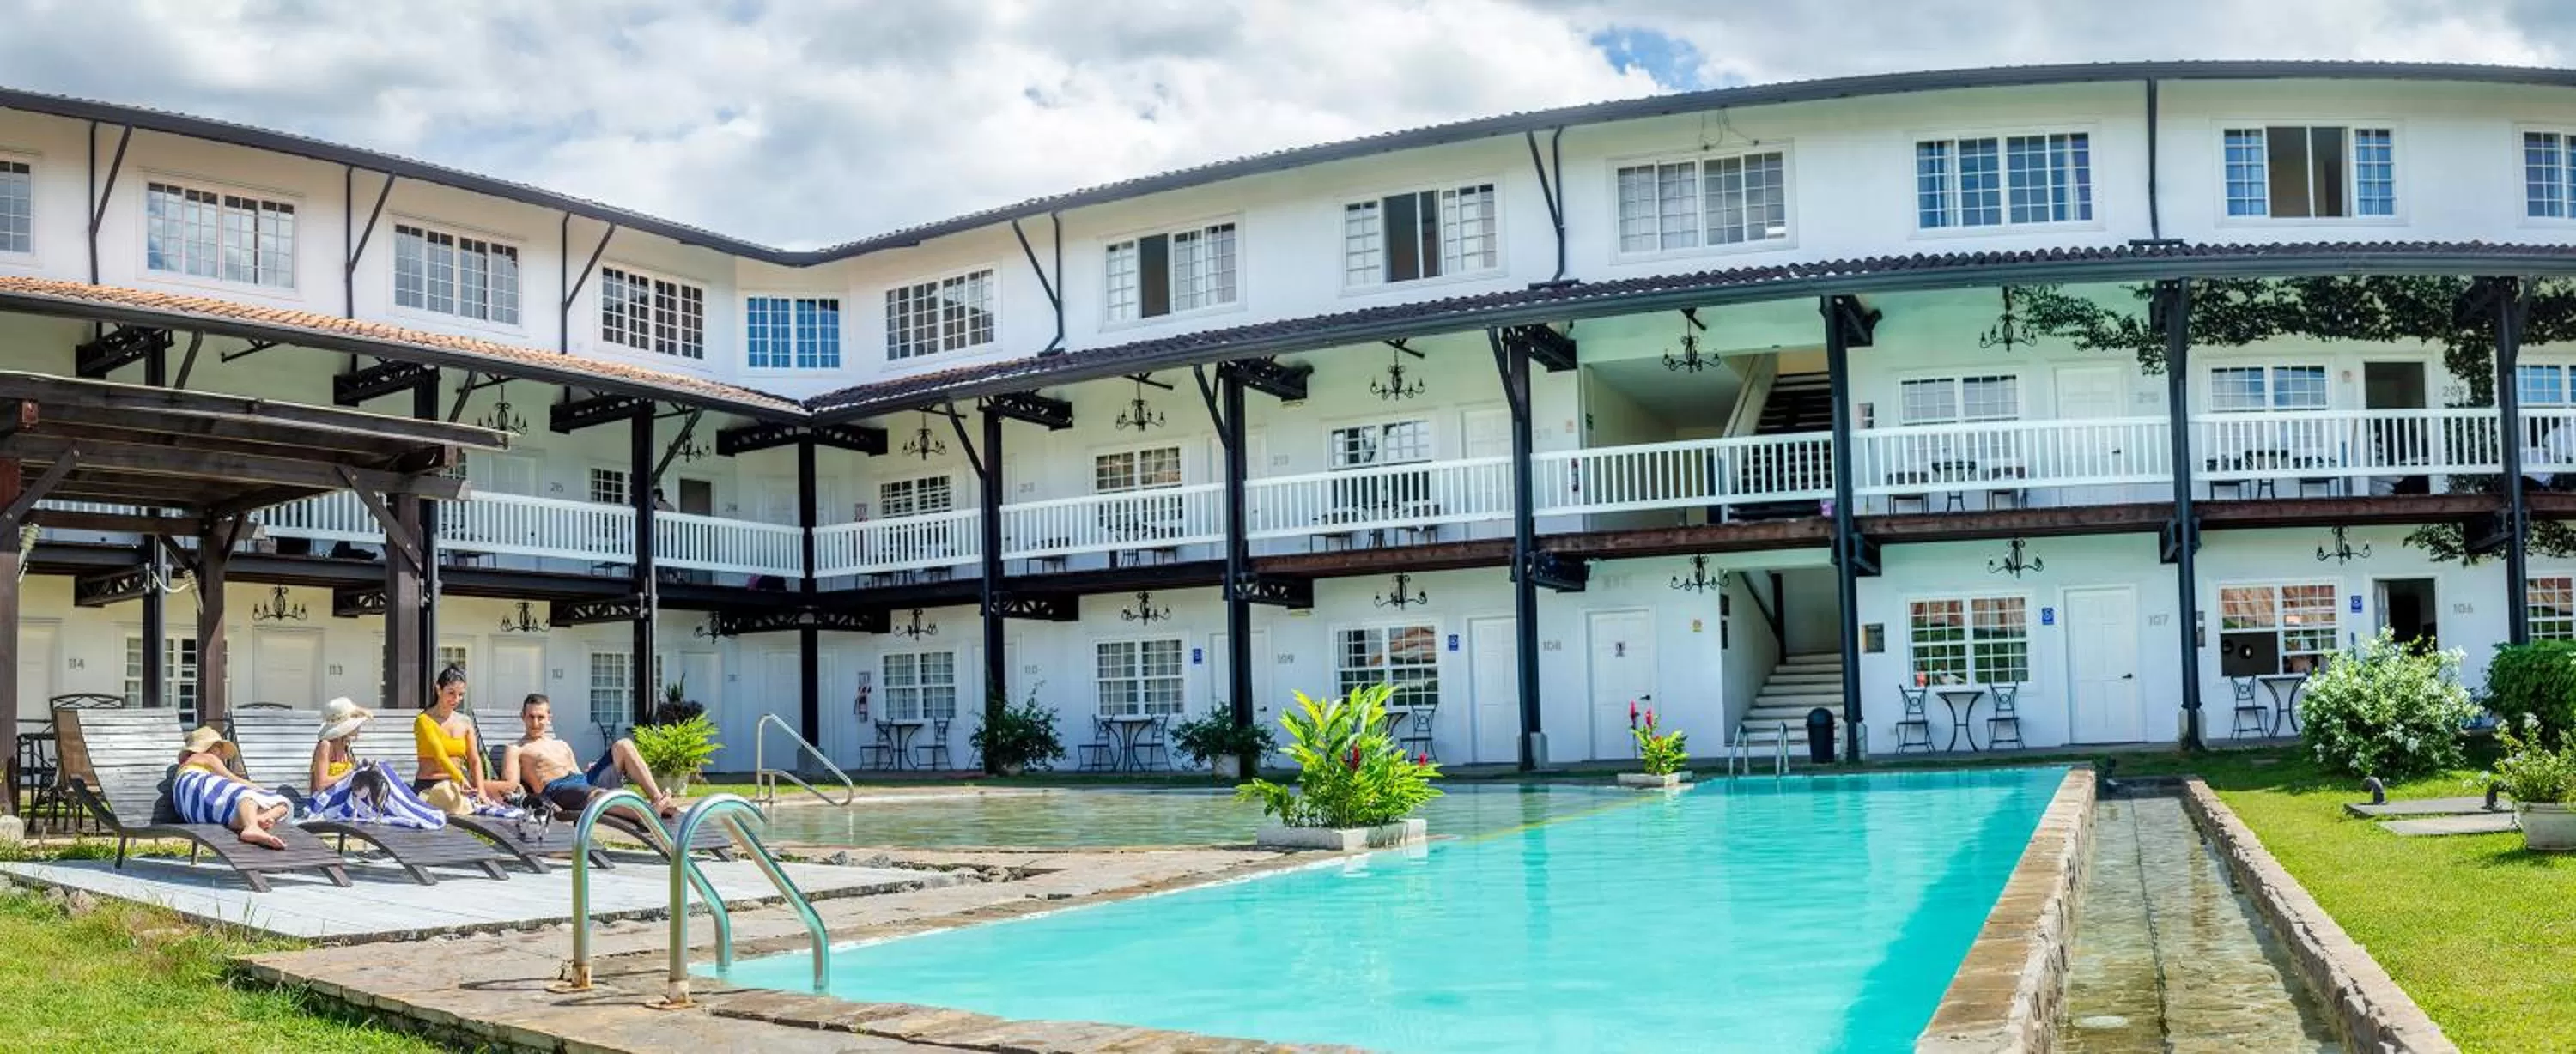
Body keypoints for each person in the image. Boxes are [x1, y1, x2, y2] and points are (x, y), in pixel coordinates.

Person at [500, 693, 680, 818]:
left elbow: (578, 773)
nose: (535, 723)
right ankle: (646, 814)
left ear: (549, 718)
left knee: (624, 745)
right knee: (598, 794)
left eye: (540, 717)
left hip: (582, 781)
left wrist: (593, 770)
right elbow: (511, 785)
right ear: (522, 716)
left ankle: (658, 799)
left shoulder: (561, 744)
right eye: (531, 717)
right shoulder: (516, 748)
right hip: (556, 789)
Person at [307, 697, 444, 828]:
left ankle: (409, 807)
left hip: (344, 798)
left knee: (379, 769)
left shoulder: (345, 745)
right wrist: (353, 770)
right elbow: (321, 784)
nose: (359, 727)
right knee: (375, 772)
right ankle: (411, 809)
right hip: (325, 802)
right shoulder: (326, 745)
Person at [170, 725, 292, 849]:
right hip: (196, 783)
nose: (221, 754)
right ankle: (252, 827)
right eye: (219, 747)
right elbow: (233, 779)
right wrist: (262, 791)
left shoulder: (184, 769)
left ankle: (259, 818)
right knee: (247, 795)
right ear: (212, 748)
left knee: (282, 805)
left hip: (192, 809)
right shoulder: (204, 757)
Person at [413, 665, 514, 811]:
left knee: (510, 791)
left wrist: (481, 792)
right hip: (432, 785)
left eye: (460, 694)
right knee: (451, 799)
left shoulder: (465, 722)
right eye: (451, 693)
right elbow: (440, 755)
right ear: (439, 689)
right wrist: (461, 779)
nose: (456, 699)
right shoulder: (423, 720)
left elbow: (474, 760)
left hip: (458, 784)